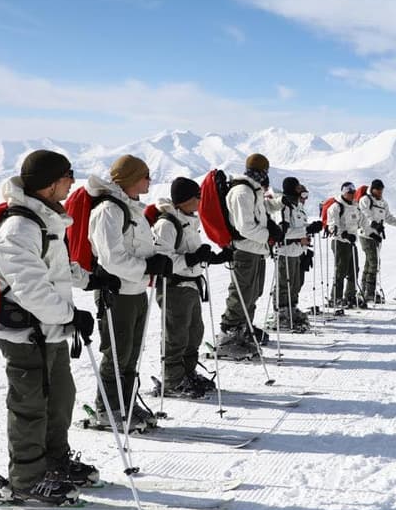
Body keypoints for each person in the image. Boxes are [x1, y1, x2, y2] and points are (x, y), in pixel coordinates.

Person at [0, 150, 103, 505]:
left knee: (60, 399)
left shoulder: (46, 220)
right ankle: (27, 478)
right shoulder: (19, 228)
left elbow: (56, 269)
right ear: (51, 183)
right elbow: (31, 289)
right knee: (30, 406)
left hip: (49, 330)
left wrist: (92, 279)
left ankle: (53, 462)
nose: (73, 181)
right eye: (68, 174)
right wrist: (70, 315)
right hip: (26, 335)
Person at [86, 154, 171, 430]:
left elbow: (139, 247)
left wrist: (158, 259)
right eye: (146, 176)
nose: (150, 180)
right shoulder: (108, 211)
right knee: (117, 353)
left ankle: (126, 404)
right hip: (117, 292)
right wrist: (147, 267)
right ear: (132, 178)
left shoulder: (132, 209)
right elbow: (111, 258)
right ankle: (108, 409)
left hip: (136, 290)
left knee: (131, 353)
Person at [151, 177, 230, 397]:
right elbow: (162, 260)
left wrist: (213, 258)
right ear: (186, 199)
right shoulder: (167, 224)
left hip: (190, 285)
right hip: (174, 287)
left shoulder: (188, 221)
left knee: (194, 333)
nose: (200, 200)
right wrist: (193, 258)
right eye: (198, 196)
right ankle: (172, 380)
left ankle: (187, 372)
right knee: (176, 335)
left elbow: (191, 252)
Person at [218, 153, 281, 359]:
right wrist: (269, 236)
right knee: (241, 293)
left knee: (253, 293)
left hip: (256, 249)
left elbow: (259, 218)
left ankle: (243, 329)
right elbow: (245, 227)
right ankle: (228, 337)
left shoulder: (253, 190)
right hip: (245, 250)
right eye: (265, 171)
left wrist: (270, 230)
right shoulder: (242, 191)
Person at [272, 177, 323, 330]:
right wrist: (306, 230)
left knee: (295, 284)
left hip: (296, 251)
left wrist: (311, 227)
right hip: (285, 251)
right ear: (292, 188)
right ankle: (281, 314)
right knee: (284, 283)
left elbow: (299, 227)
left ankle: (291, 309)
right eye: (299, 187)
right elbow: (283, 232)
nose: (301, 191)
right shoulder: (284, 207)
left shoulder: (297, 207)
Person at [358, 179, 396, 304]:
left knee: (369, 263)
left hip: (377, 236)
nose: (380, 192)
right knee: (374, 262)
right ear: (373, 189)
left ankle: (363, 290)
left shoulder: (383, 203)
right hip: (366, 235)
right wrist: (375, 225)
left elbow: (388, 217)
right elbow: (365, 215)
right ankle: (370, 293)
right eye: (378, 190)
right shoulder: (365, 200)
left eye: (381, 190)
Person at [328, 182, 363, 308]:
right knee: (341, 271)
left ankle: (350, 295)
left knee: (354, 269)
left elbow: (361, 221)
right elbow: (332, 226)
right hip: (340, 242)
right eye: (349, 192)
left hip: (351, 242)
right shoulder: (336, 207)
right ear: (343, 193)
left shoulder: (355, 206)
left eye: (353, 192)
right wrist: (345, 235)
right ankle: (336, 297)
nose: (352, 194)